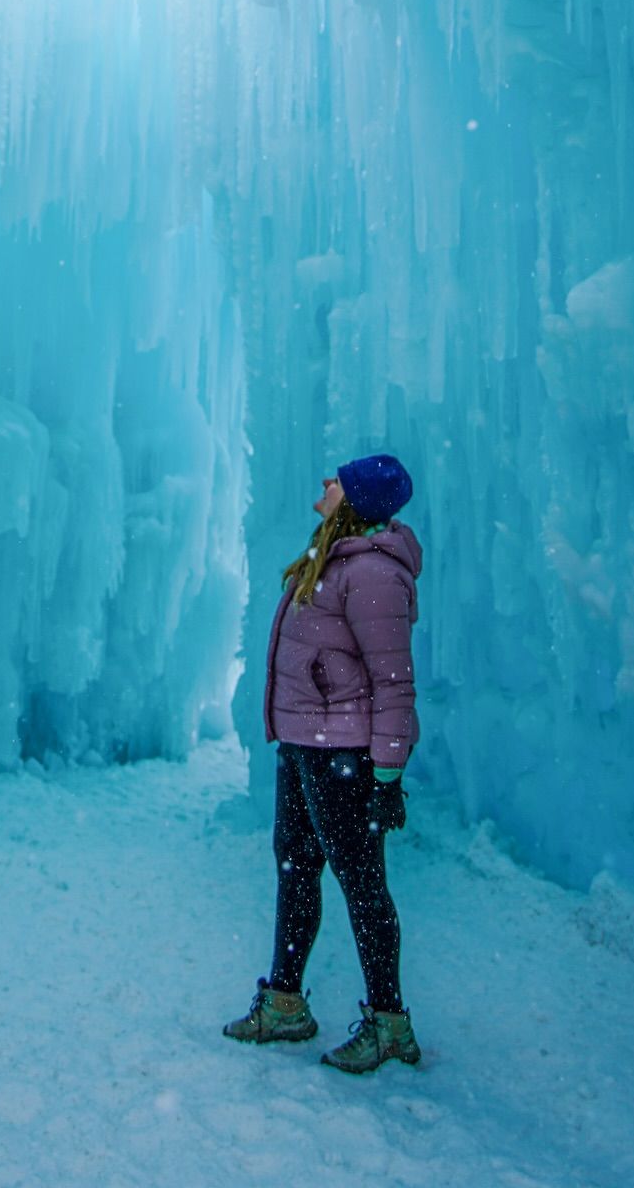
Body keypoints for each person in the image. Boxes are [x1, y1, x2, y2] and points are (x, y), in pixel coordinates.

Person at [222, 453, 423, 1073]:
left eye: (335, 479)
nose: (324, 483)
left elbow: (394, 684)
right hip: (306, 744)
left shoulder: (372, 575)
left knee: (361, 884)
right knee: (297, 864)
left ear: (357, 498)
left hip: (343, 752)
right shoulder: (333, 557)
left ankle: (390, 1024)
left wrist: (387, 776)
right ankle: (285, 1003)